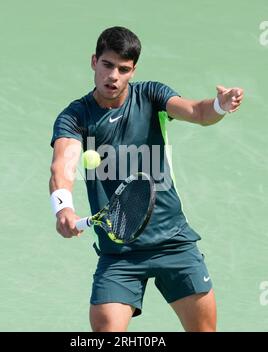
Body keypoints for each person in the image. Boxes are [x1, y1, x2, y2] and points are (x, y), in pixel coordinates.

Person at [49, 26, 244, 332]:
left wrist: (220, 105)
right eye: (107, 65)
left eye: (123, 69)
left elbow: (196, 111)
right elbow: (64, 164)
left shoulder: (151, 96)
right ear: (94, 61)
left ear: (133, 71)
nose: (113, 75)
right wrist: (63, 207)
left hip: (174, 242)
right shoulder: (75, 117)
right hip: (119, 251)